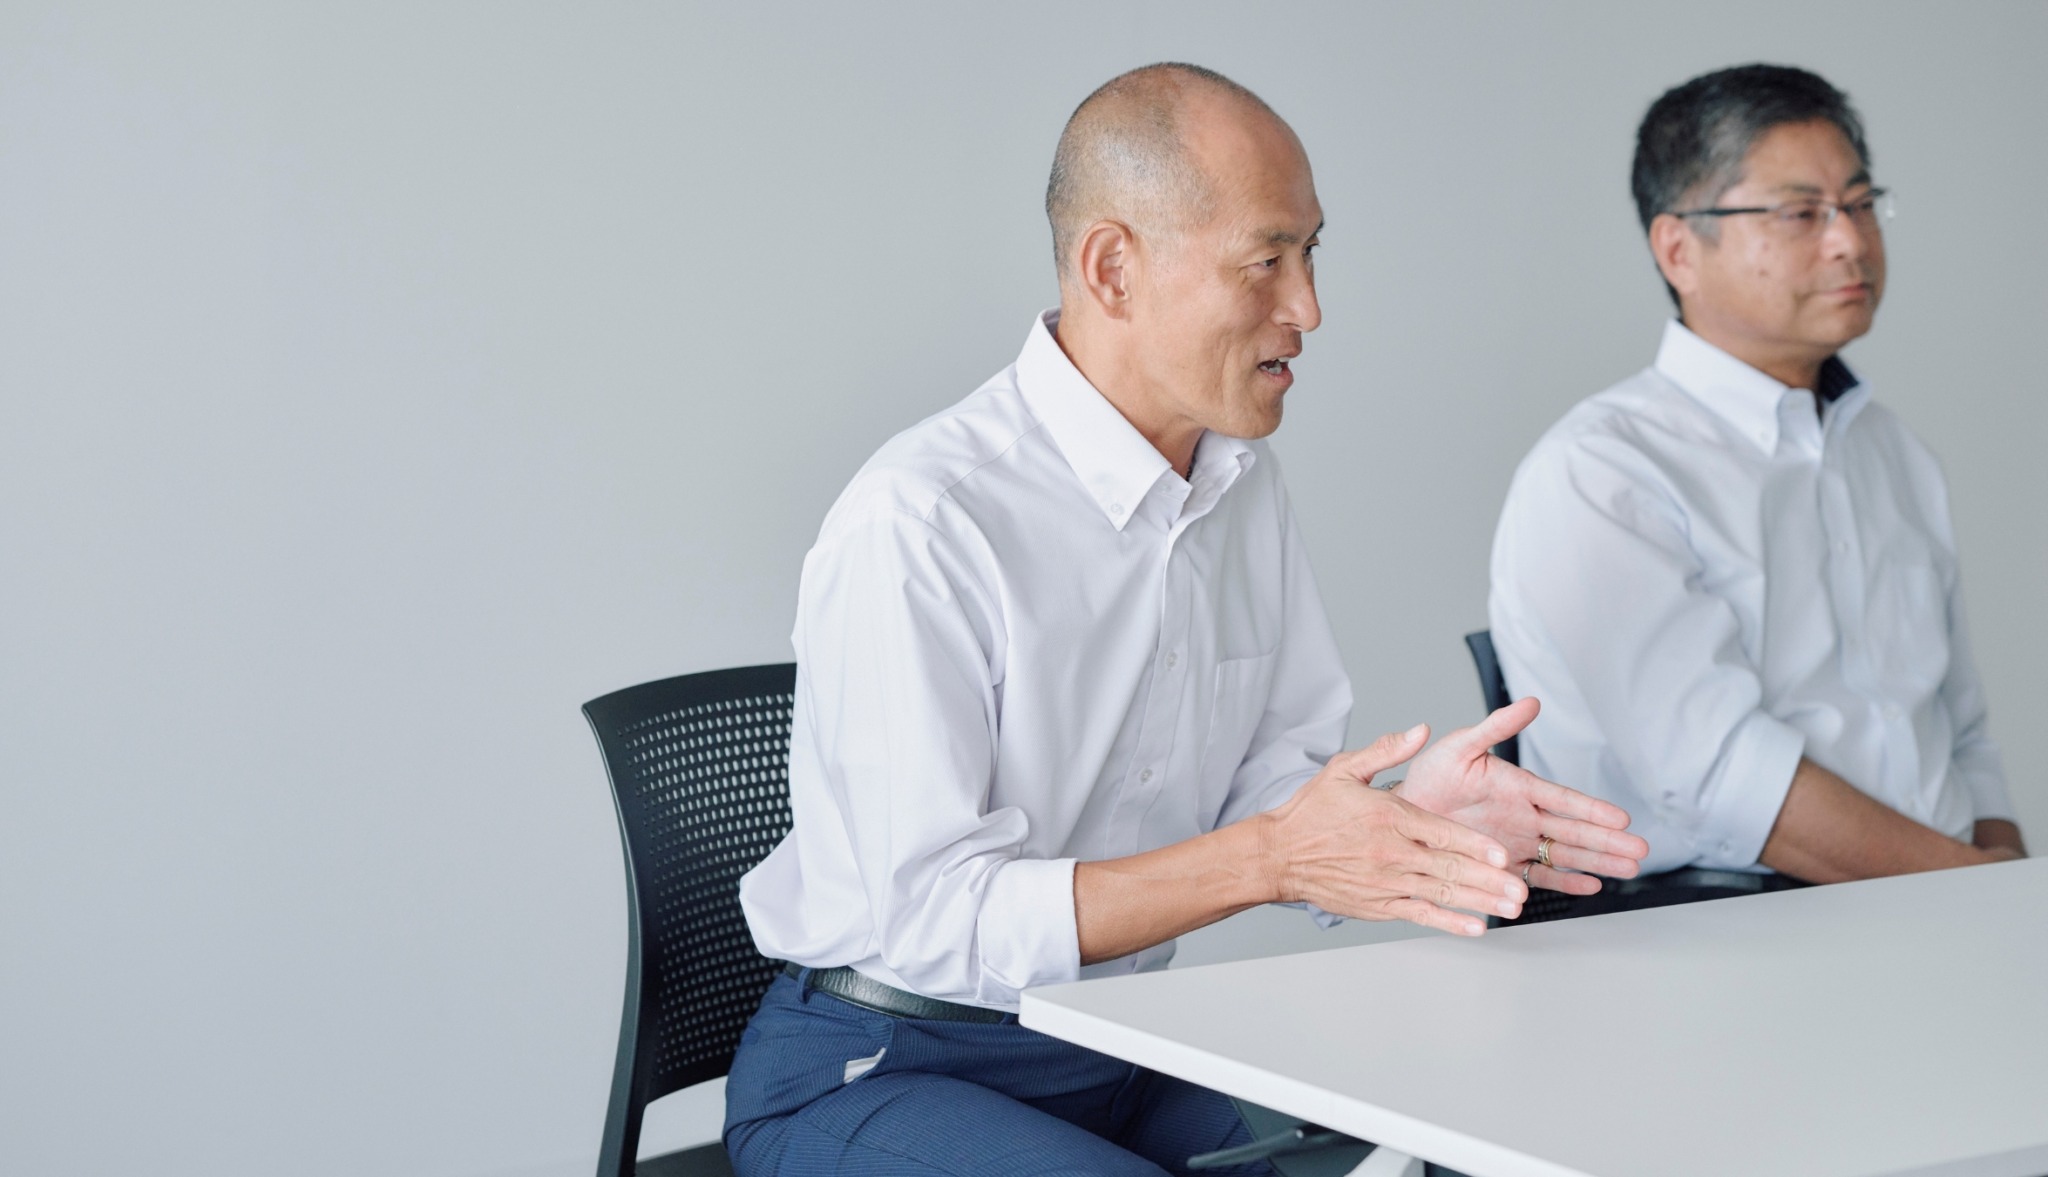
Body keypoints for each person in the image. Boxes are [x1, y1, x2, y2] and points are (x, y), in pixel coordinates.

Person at [722, 63, 1648, 1177]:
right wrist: (1275, 858)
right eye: (1266, 260)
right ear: (1112, 268)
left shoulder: (1240, 485)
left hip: (1123, 1043)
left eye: (1311, 254)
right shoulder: (921, 518)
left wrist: (1403, 822)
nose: (1308, 308)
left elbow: (1271, 788)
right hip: (886, 1062)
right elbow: (932, 917)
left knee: (1471, 1147)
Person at [1488, 64, 2025, 922]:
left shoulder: (1894, 454)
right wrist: (1988, 896)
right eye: (1801, 214)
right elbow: (1723, 777)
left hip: (1933, 908)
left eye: (1859, 203)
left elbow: (1962, 734)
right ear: (1678, 250)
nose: (1849, 241)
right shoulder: (1604, 471)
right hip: (1708, 936)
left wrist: (2006, 886)